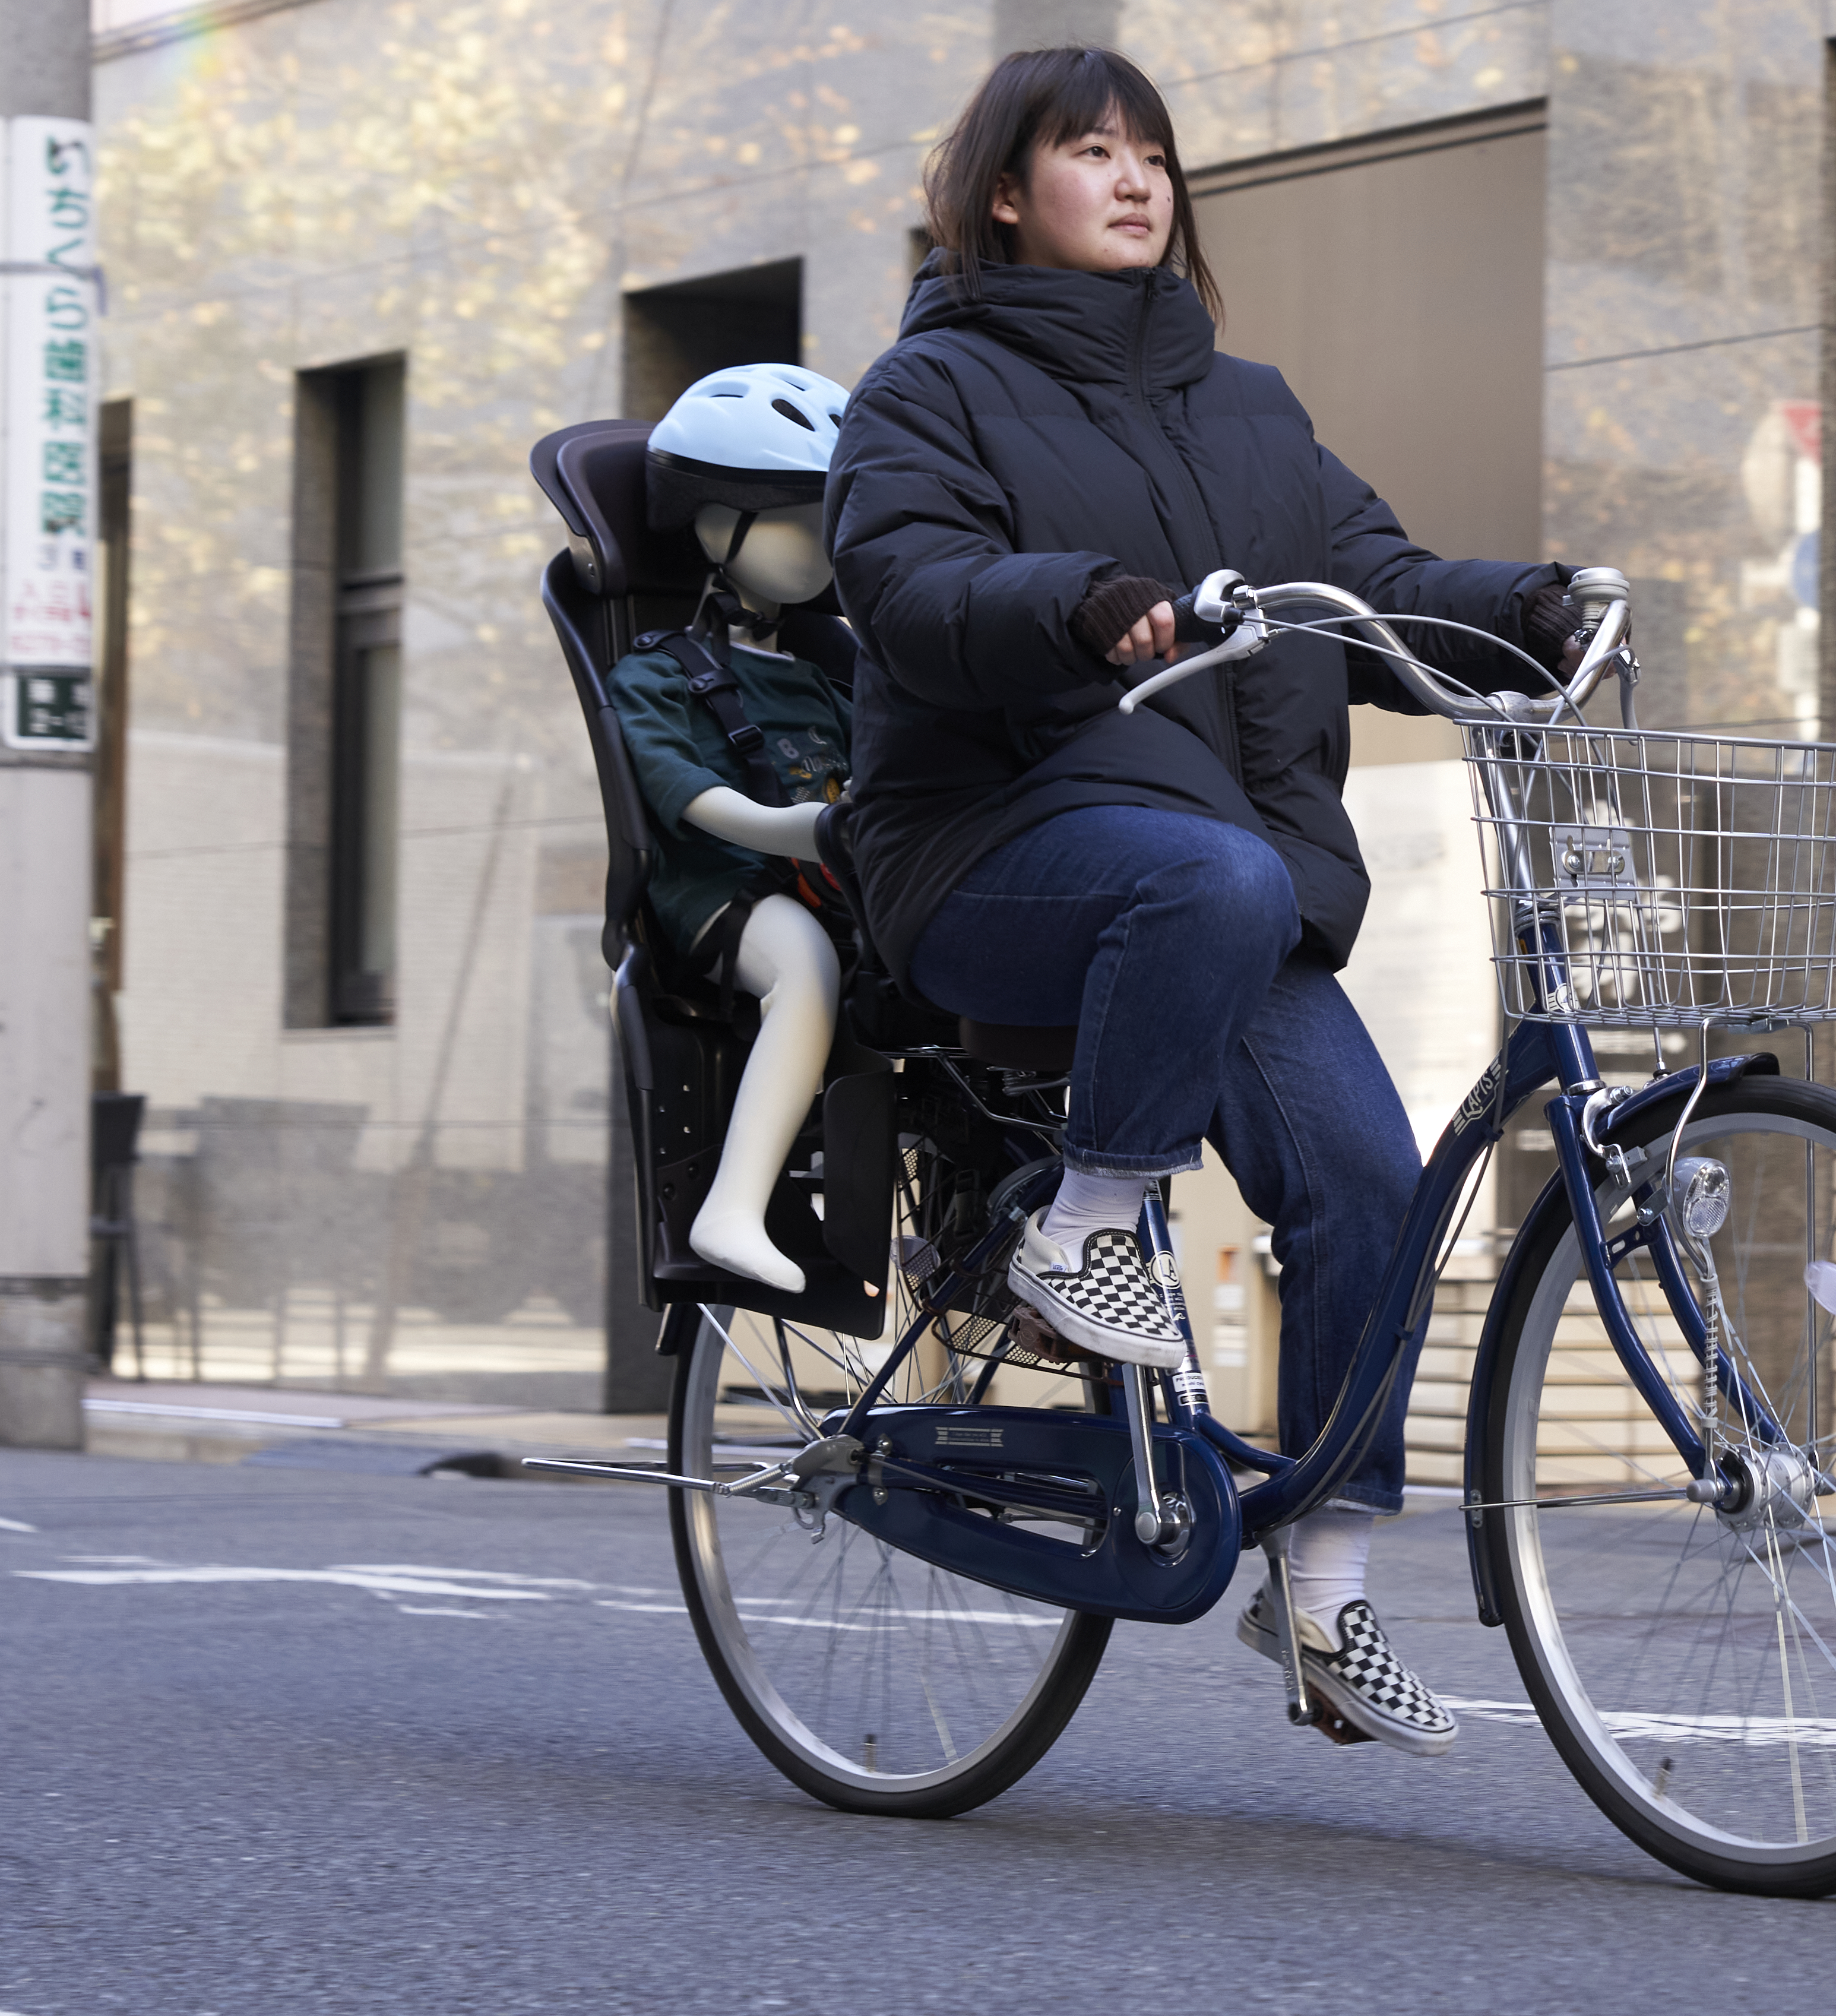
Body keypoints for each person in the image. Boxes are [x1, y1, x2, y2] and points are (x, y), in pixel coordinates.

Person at [825, 47, 1607, 1755]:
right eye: (1089, 149)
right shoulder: (928, 388)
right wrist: (1077, 598)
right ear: (1005, 193)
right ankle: (1090, 1217)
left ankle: (1319, 1582)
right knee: (1217, 871)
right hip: (991, 853)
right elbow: (905, 583)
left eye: (1154, 154)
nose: (1134, 178)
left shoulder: (1246, 402)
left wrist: (1524, 609)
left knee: (1374, 1190)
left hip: (1216, 891)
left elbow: (1374, 585)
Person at [608, 363, 856, 1295]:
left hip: (838, 874)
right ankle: (734, 1205)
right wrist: (804, 831)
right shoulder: (658, 675)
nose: (822, 544)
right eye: (797, 517)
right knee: (807, 965)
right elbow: (695, 800)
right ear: (715, 520)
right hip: (721, 890)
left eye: (831, 519)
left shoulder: (836, 668)